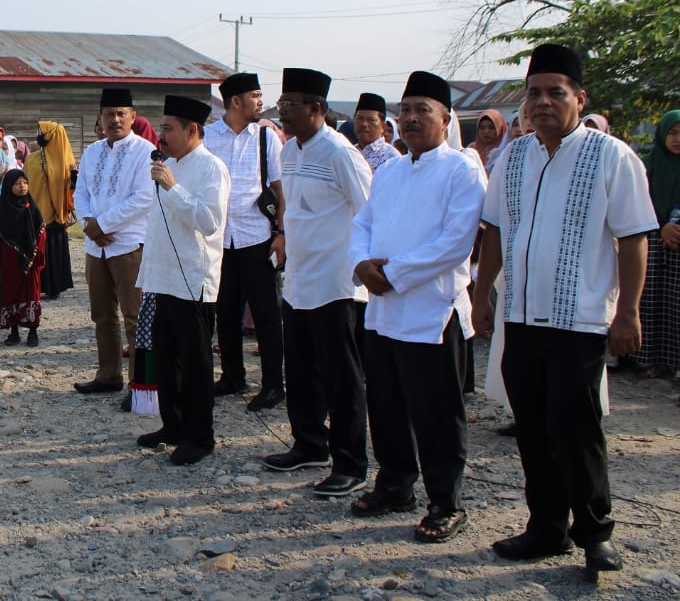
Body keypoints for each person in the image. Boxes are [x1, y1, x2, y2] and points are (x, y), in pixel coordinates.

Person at [472, 44, 656, 574]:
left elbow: (633, 238)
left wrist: (628, 313)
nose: (543, 102)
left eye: (556, 92)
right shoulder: (514, 158)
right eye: (534, 93)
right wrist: (482, 297)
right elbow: (495, 233)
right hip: (521, 317)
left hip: (579, 321)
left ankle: (595, 534)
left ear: (580, 98)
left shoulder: (611, 156)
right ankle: (546, 529)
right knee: (532, 429)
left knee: (577, 432)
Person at [348, 71, 486, 542]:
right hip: (384, 309)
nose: (410, 119)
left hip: (432, 310)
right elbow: (362, 224)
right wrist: (361, 263)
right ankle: (395, 485)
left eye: (422, 110)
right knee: (386, 404)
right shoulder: (389, 171)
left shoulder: (462, 170)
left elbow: (455, 243)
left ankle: (446, 502)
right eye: (404, 111)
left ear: (445, 119)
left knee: (436, 413)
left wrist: (394, 274)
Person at [262, 68, 372, 499]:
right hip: (299, 278)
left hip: (335, 281)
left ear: (317, 108)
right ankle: (309, 444)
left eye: (291, 105)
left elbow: (370, 212)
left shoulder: (341, 153)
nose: (283, 112)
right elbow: (291, 207)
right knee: (301, 370)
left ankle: (351, 462)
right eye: (281, 104)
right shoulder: (290, 151)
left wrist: (364, 267)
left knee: (342, 377)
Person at [134, 95, 230, 466]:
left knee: (194, 365)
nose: (161, 135)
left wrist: (174, 188)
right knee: (166, 359)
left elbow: (209, 222)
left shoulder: (211, 168)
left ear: (192, 131)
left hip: (192, 281)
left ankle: (200, 436)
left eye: (169, 129)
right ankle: (172, 426)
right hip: (163, 279)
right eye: (161, 128)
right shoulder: (168, 164)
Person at [205, 72, 286, 410]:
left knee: (266, 314)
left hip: (257, 238)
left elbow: (280, 191)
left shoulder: (267, 138)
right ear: (235, 101)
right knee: (225, 312)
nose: (260, 102)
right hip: (219, 240)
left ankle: (273, 385)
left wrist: (281, 235)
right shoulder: (208, 137)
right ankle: (233, 376)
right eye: (255, 95)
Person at [73, 89, 155, 410]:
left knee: (135, 317)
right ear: (100, 118)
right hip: (96, 247)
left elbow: (143, 198)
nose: (115, 119)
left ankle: (139, 385)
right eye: (109, 114)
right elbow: (80, 192)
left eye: (122, 113)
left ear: (133, 117)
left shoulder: (144, 151)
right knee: (102, 314)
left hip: (129, 244)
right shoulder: (92, 151)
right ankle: (108, 375)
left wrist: (103, 224)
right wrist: (89, 224)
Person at [636, 110, 680, 377]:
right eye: (672, 133)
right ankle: (648, 359)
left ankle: (675, 361)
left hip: (677, 239)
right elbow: (639, 200)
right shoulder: (647, 166)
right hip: (652, 239)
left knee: (676, 303)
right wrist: (662, 225)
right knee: (650, 300)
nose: (677, 139)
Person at [23, 121, 76, 300]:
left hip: (56, 216)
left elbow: (72, 190)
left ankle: (54, 287)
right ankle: (36, 286)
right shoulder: (32, 159)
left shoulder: (67, 161)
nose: (38, 135)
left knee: (53, 251)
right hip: (35, 213)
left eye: (42, 132)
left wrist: (74, 178)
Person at [0, 170, 46, 346]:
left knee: (31, 293)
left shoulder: (33, 208)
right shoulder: (3, 211)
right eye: (17, 183)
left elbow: (41, 234)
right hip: (10, 261)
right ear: (8, 186)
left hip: (31, 261)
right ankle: (13, 331)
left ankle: (33, 331)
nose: (22, 186)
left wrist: (38, 256)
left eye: (25, 182)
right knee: (11, 293)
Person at [353, 93, 400, 171]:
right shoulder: (350, 151)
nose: (364, 124)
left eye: (371, 120)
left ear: (383, 126)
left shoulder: (392, 157)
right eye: (360, 118)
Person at [466, 109, 505, 176]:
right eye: (482, 128)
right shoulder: (472, 149)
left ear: (499, 128)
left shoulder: (505, 149)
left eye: (491, 127)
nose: (486, 131)